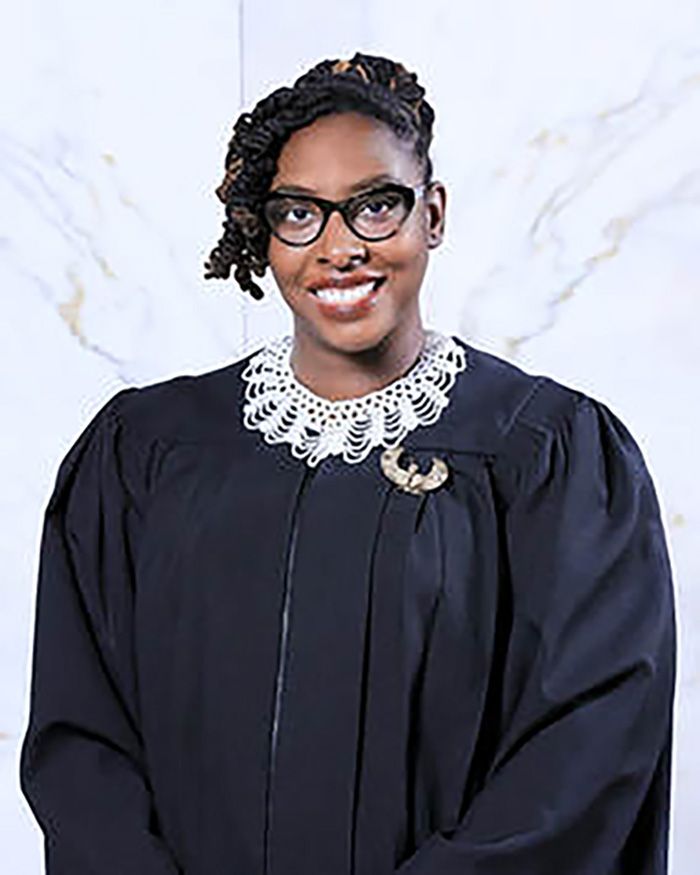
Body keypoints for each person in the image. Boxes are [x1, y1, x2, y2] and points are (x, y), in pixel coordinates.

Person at [20, 51, 676, 875]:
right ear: (264, 229)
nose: (338, 248)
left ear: (431, 214)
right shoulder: (147, 453)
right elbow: (83, 741)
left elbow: (585, 751)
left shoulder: (549, 455)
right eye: (300, 213)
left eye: (376, 206)